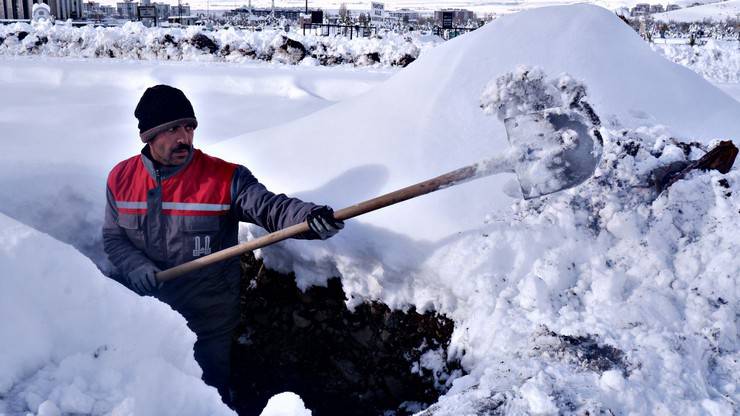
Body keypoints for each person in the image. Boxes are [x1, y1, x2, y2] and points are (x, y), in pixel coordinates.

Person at [102, 84, 344, 403]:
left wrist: (309, 218)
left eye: (189, 127)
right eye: (173, 128)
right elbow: (114, 237)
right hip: (145, 314)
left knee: (206, 395)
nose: (184, 137)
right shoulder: (120, 179)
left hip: (207, 317)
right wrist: (135, 267)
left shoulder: (225, 179)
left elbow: (271, 208)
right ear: (149, 136)